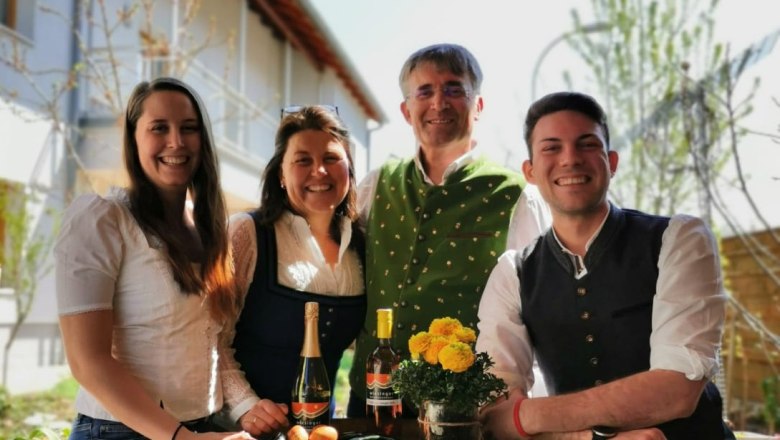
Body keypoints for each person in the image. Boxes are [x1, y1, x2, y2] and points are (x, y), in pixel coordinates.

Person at [477, 91, 734, 439]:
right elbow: (494, 414)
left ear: (612, 162)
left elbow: (677, 390)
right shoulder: (513, 273)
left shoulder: (679, 239)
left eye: (587, 144)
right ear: (530, 172)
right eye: (551, 148)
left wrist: (526, 415)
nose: (570, 159)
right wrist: (588, 438)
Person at [347, 43, 551, 417]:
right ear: (406, 111)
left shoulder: (517, 196)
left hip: (466, 409)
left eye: (454, 89)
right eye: (425, 91)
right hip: (372, 396)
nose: (439, 103)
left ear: (479, 105)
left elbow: (538, 314)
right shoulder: (374, 186)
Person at [55, 77, 252, 439]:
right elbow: (87, 362)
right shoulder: (103, 219)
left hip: (202, 426)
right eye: (159, 127)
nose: (176, 141)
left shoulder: (210, 228)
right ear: (133, 138)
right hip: (120, 431)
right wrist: (182, 438)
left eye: (189, 128)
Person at [222, 105, 366, 434]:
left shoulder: (360, 245)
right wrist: (246, 405)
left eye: (331, 158)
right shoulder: (247, 233)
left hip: (319, 432)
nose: (319, 171)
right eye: (303, 160)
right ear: (281, 175)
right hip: (245, 430)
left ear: (348, 168)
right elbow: (210, 340)